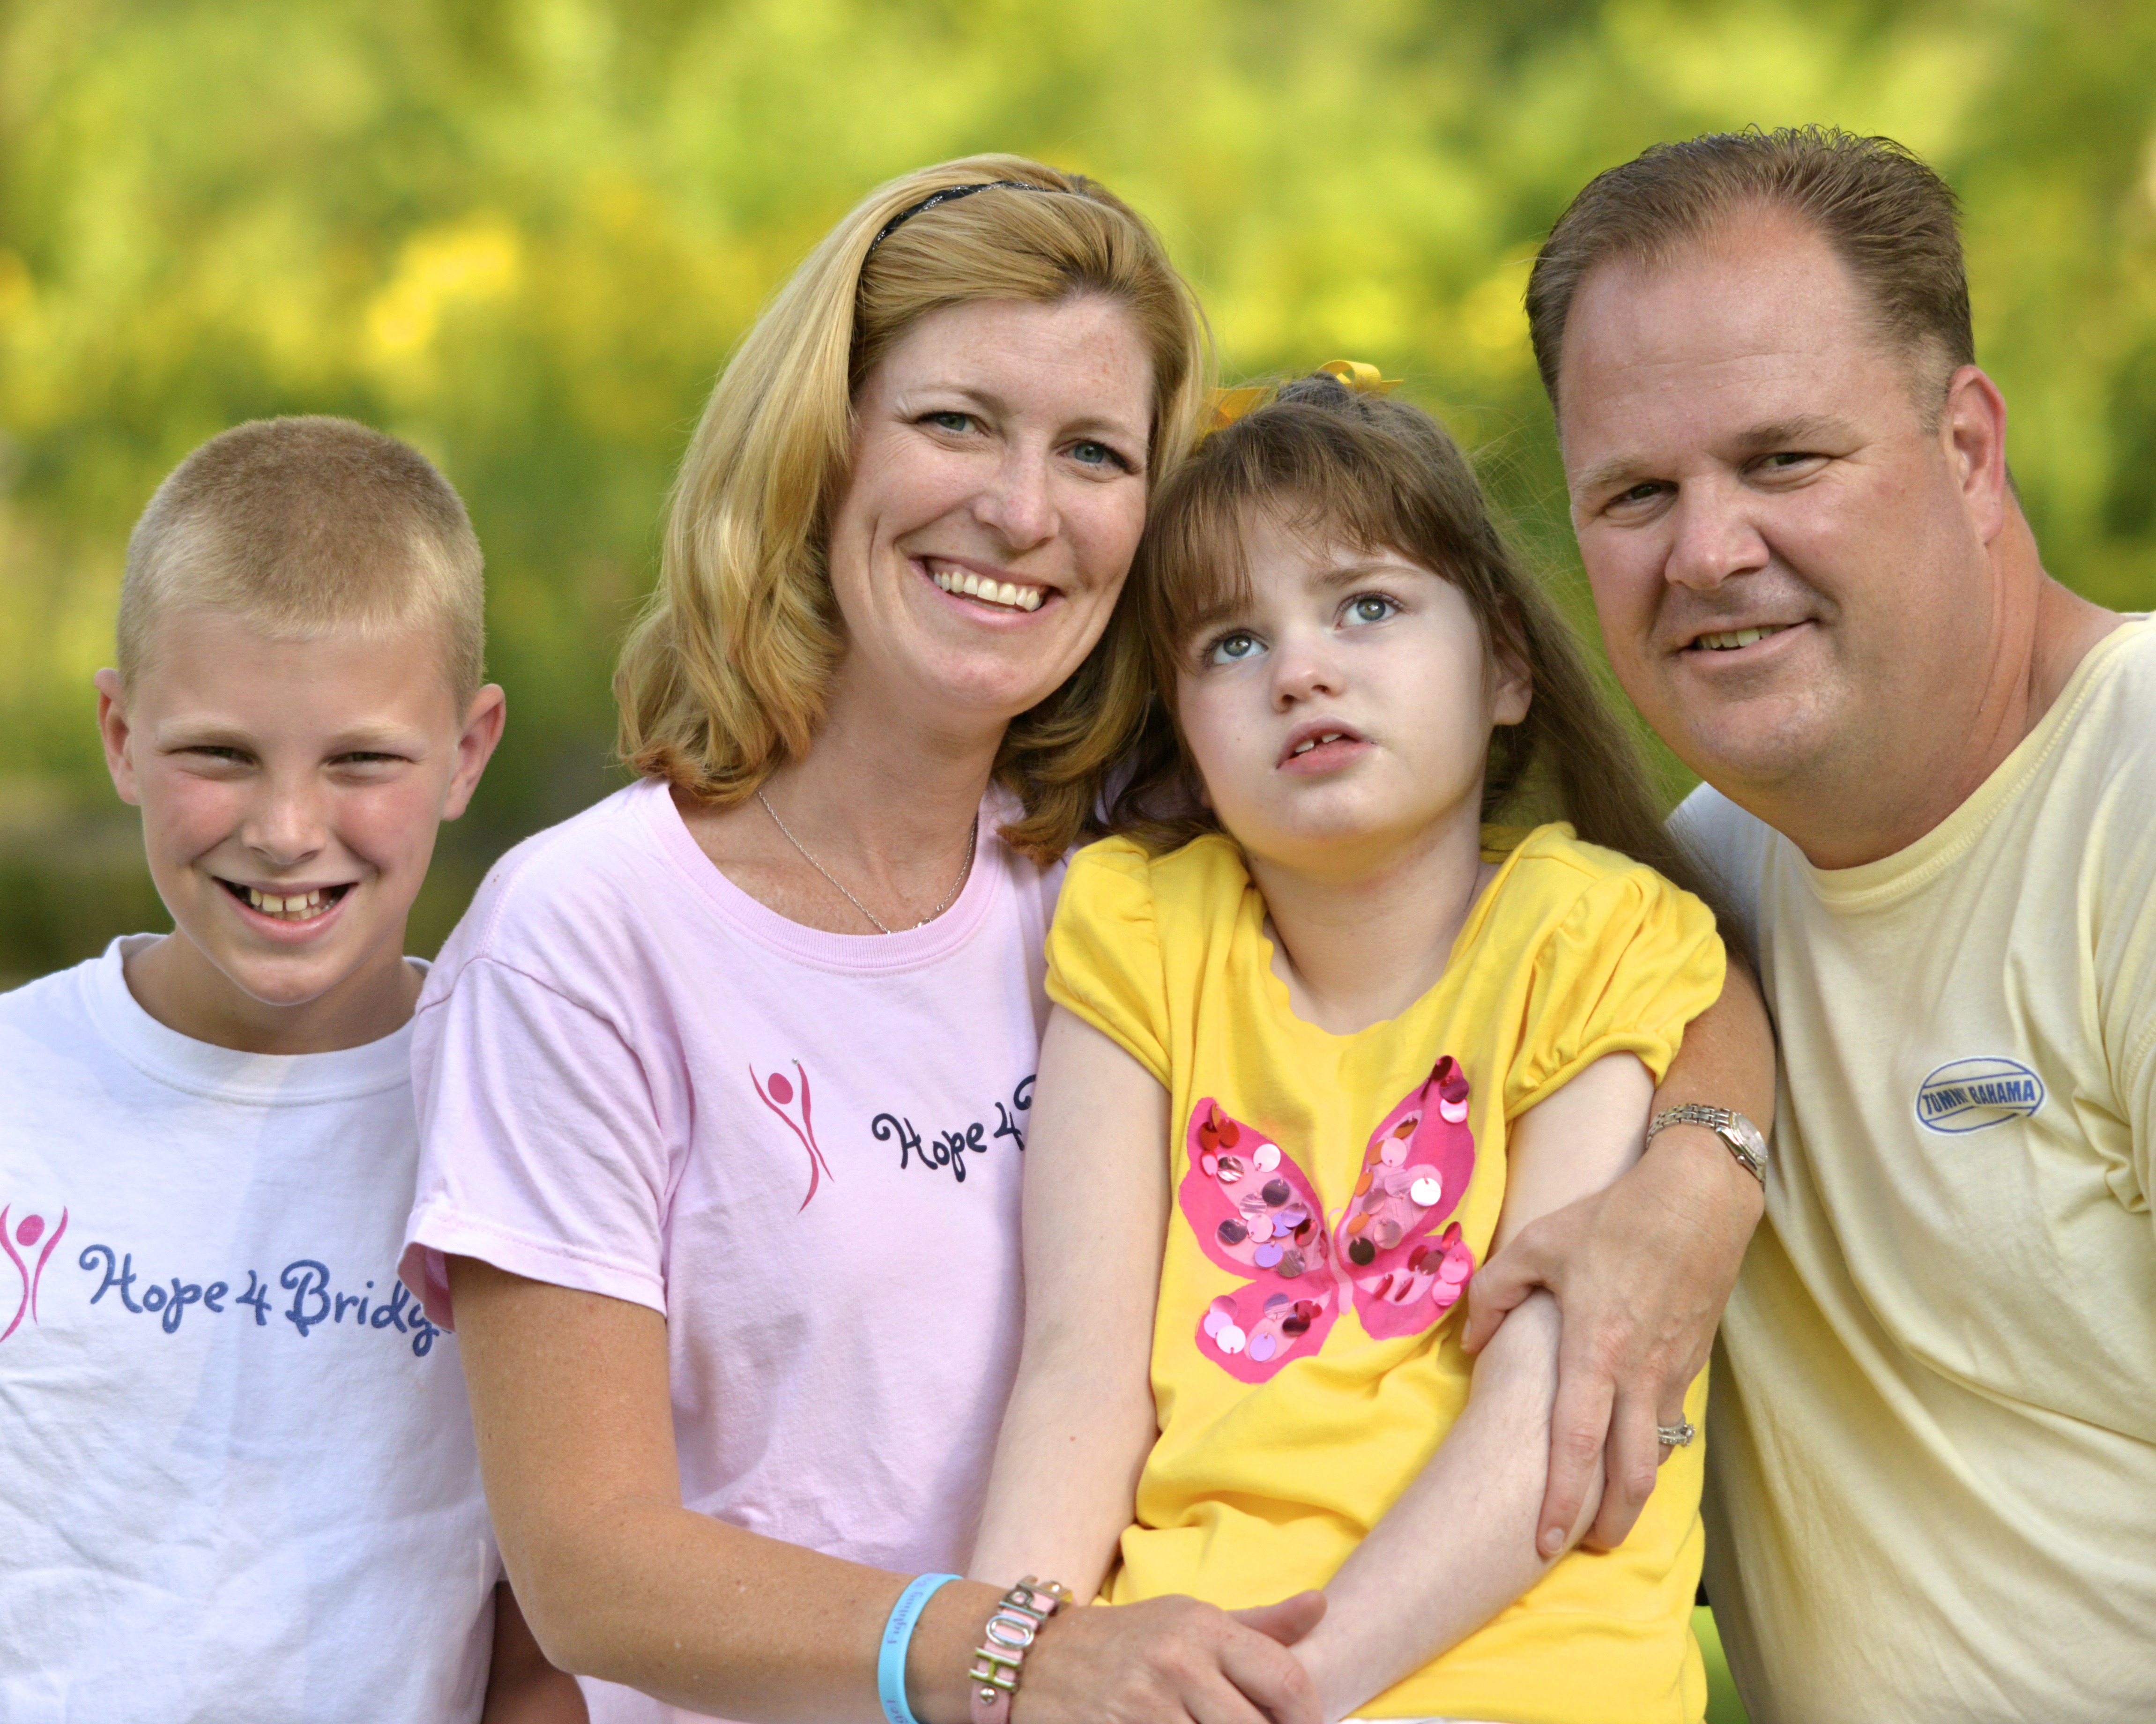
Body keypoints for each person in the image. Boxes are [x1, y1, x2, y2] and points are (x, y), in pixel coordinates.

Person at [401, 156, 1771, 1724]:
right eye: (953, 422)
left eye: (1096, 451)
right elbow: (589, 1570)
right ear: (819, 448)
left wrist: (1701, 1174)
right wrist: (1021, 1658)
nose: (1021, 509)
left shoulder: (1146, 842)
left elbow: (1649, 967)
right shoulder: (589, 934)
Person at [970, 371, 1772, 1724]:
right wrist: (1013, 1667)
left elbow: (1549, 1393)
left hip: (1516, 1660)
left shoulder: (1586, 935)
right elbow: (1077, 1369)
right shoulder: (1142, 930)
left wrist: (1294, 1695)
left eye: (1368, 606)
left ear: (1506, 665)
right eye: (1230, 643)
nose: (1300, 668)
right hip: (1186, 1657)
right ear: (1181, 724)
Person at [1498, 126, 2156, 1721]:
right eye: (1636, 491)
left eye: (1784, 459)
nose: (1708, 551)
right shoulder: (1662, 918)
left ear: (1968, 450)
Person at [0, 416, 582, 1721]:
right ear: (117, 731)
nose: (284, 830)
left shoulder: (530, 1119)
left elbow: (550, 1634)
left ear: (468, 752)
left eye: (363, 759)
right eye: (219, 753)